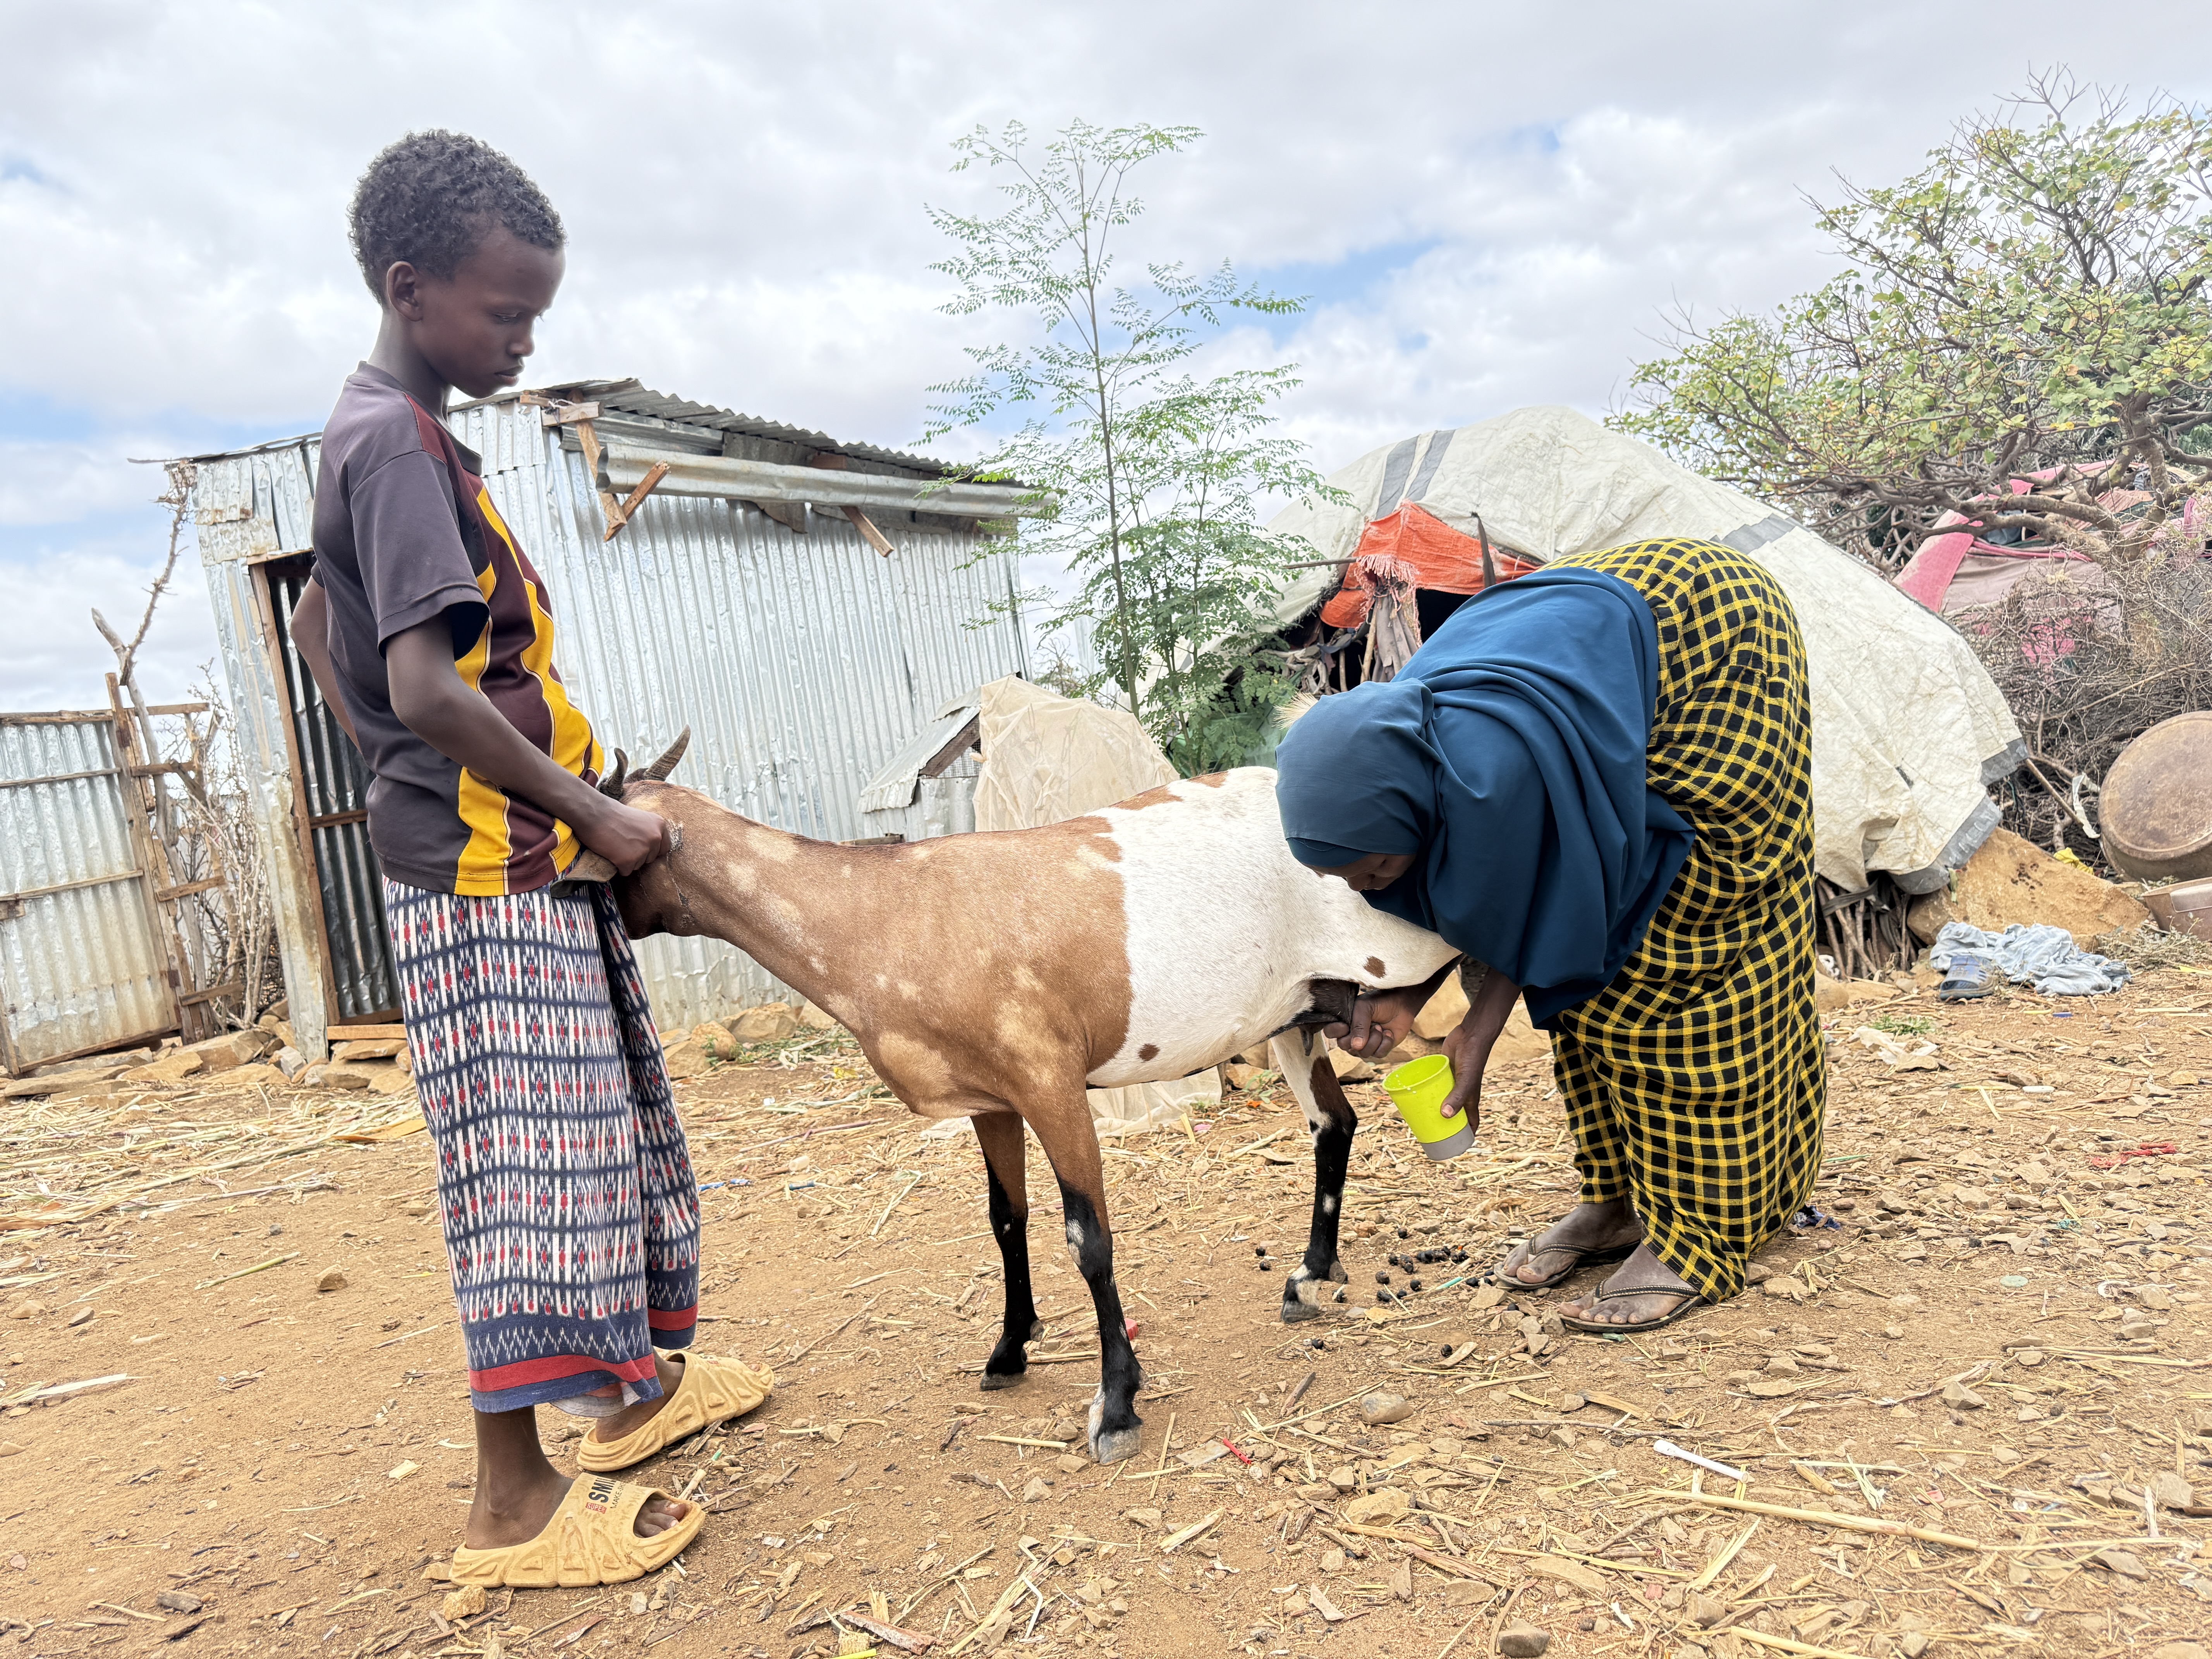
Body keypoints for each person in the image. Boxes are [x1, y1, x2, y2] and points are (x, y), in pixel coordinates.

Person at [290, 131, 771, 1586]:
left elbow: (331, 645)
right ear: (408, 285)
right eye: (505, 316)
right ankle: (509, 1507)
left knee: (599, 1144)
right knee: (526, 1168)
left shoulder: (411, 442)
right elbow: (427, 688)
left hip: (521, 857)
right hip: (485, 878)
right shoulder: (388, 443)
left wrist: (565, 803)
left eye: (537, 315)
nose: (523, 340)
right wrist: (602, 811)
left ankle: (619, 1399)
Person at [1274, 539, 1824, 1334]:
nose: (1376, 889)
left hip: (1715, 647)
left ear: (1415, 813)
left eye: (1378, 868)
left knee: (1665, 967)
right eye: (1355, 880)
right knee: (1583, 991)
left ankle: (1701, 1231)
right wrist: (1418, 996)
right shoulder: (1394, 756)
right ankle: (1619, 1203)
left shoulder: (1495, 774)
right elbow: (1487, 894)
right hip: (1597, 647)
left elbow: (1545, 898)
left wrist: (1477, 1030)